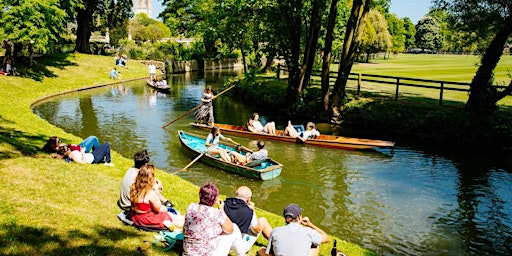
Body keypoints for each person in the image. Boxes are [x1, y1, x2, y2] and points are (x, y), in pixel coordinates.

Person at [183, 182, 240, 255]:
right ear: (215, 199)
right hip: (207, 253)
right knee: (234, 228)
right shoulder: (216, 213)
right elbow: (230, 230)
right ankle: (242, 254)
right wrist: (222, 210)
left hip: (188, 252)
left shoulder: (191, 207)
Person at [258, 203, 330, 256]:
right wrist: (310, 224)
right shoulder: (308, 232)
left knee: (261, 250)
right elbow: (326, 238)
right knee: (315, 245)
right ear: (299, 217)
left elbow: (270, 252)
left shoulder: (275, 231)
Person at [130, 164, 184, 229]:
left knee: (172, 214)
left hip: (136, 216)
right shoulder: (150, 193)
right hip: (147, 219)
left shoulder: (134, 188)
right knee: (171, 216)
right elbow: (157, 208)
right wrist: (156, 191)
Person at [224, 186, 272, 255]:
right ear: (248, 199)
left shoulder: (224, 204)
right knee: (262, 221)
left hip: (223, 242)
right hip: (238, 247)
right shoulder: (249, 212)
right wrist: (252, 211)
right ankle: (278, 242)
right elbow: (256, 230)